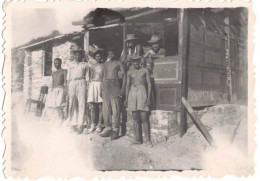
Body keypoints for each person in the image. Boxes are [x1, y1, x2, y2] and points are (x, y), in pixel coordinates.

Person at [124, 55, 153, 148]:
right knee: (135, 116)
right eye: (133, 61)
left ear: (140, 61)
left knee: (144, 117)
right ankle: (138, 139)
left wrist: (148, 98)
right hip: (132, 93)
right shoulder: (129, 72)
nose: (135, 63)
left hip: (142, 91)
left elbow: (149, 84)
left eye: (137, 61)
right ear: (132, 62)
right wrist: (126, 98)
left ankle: (148, 140)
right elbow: (127, 85)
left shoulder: (145, 70)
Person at [100, 49, 125, 140]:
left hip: (115, 84)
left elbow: (124, 75)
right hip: (106, 85)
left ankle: (116, 129)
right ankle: (108, 128)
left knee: (115, 107)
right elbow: (103, 76)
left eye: (112, 53)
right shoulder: (105, 64)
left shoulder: (118, 63)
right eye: (109, 53)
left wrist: (122, 89)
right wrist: (101, 88)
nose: (111, 55)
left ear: (115, 54)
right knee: (106, 108)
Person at [66, 46, 89, 134]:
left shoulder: (85, 65)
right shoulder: (70, 65)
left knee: (82, 103)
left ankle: (80, 124)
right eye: (76, 55)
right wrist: (67, 87)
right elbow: (68, 78)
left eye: (79, 55)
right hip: (72, 83)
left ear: (81, 56)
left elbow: (87, 78)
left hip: (81, 82)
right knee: (72, 103)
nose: (77, 56)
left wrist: (86, 86)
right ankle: (73, 123)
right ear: (74, 56)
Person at [41, 58, 67, 124]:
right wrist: (51, 90)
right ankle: (54, 120)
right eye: (54, 63)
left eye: (57, 63)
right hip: (54, 90)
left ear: (60, 63)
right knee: (52, 105)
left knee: (59, 105)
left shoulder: (64, 71)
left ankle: (61, 120)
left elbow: (66, 82)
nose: (56, 64)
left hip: (60, 90)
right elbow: (52, 83)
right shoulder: (54, 73)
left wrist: (65, 91)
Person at [85, 47, 105, 134]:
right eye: (96, 56)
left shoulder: (104, 66)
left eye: (99, 56)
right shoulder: (92, 66)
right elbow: (90, 77)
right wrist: (89, 86)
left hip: (101, 84)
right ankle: (93, 124)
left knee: (100, 106)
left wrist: (102, 86)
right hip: (93, 84)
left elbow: (104, 77)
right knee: (92, 106)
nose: (98, 58)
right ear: (95, 58)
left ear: (101, 57)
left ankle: (100, 124)